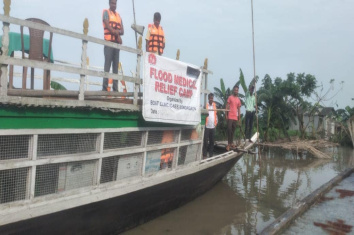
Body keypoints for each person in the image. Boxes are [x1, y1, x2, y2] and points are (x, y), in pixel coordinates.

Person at [102, 0, 124, 91]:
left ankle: (115, 89)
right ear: (109, 4)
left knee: (116, 67)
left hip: (116, 45)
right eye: (112, 3)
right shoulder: (106, 13)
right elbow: (107, 25)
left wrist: (118, 33)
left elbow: (122, 30)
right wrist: (117, 34)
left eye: (115, 3)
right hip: (108, 43)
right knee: (107, 66)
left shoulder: (118, 16)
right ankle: (104, 88)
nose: (114, 5)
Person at [226, 85, 242, 151]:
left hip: (235, 117)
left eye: (237, 90)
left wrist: (239, 118)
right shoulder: (230, 97)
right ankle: (229, 143)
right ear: (233, 90)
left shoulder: (238, 100)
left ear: (238, 91)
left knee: (233, 130)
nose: (236, 91)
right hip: (230, 116)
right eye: (235, 90)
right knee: (229, 129)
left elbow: (238, 109)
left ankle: (231, 143)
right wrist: (226, 115)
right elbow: (227, 106)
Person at [203, 93, 218, 158]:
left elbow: (216, 115)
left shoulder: (214, 105)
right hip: (207, 126)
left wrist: (216, 123)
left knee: (212, 142)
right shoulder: (206, 106)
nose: (211, 99)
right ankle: (204, 155)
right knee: (205, 142)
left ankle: (211, 155)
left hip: (212, 126)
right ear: (208, 98)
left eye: (212, 98)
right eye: (210, 98)